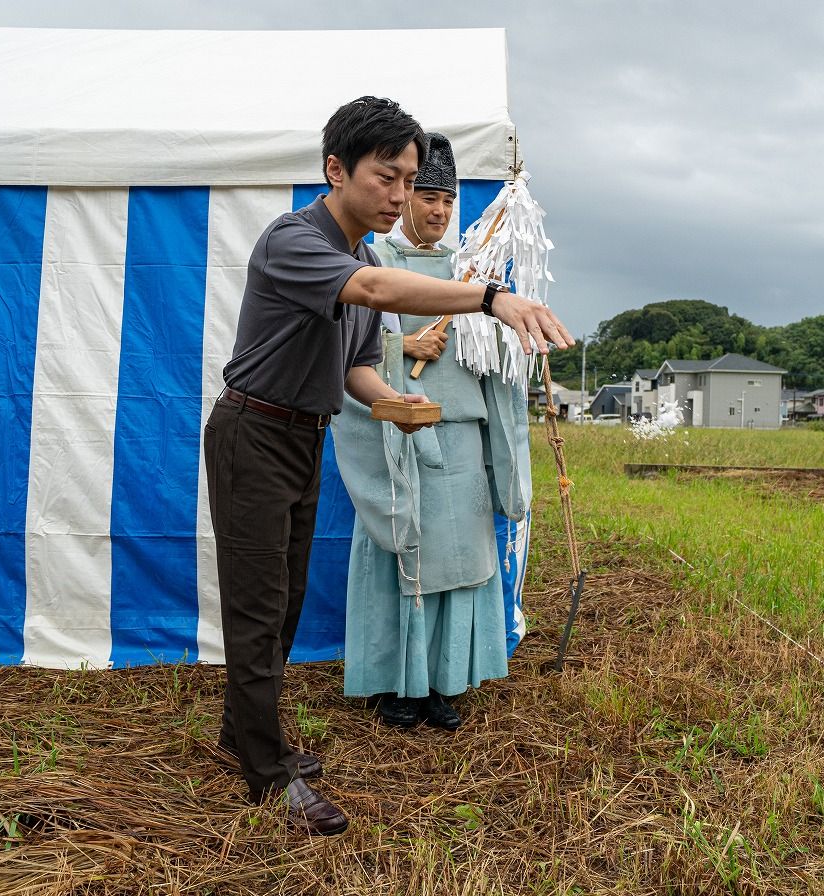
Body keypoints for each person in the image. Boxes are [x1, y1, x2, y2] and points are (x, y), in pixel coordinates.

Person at [205, 97, 571, 835]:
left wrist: (393, 403)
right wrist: (490, 297)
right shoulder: (295, 240)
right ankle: (268, 772)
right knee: (257, 605)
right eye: (388, 177)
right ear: (335, 170)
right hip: (253, 433)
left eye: (411, 181)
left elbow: (357, 366)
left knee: (283, 602)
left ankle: (242, 733)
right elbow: (372, 294)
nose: (402, 196)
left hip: (302, 435)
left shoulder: (365, 257)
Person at [333, 132, 526, 731]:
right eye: (427, 197)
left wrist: (504, 333)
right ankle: (398, 682)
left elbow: (493, 359)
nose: (439, 211)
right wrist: (401, 346)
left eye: (447, 200)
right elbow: (345, 349)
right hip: (401, 435)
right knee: (404, 553)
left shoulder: (470, 273)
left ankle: (445, 678)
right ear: (405, 198)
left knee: (463, 559)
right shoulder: (373, 263)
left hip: (463, 437)